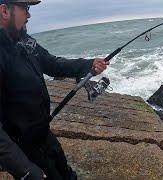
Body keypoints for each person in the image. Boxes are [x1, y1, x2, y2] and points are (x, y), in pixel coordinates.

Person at [0, 0, 109, 179]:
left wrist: (88, 65)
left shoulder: (24, 40)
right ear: (5, 11)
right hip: (24, 146)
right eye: (25, 9)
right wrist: (25, 170)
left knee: (66, 172)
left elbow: (52, 63)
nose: (29, 15)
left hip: (43, 132)